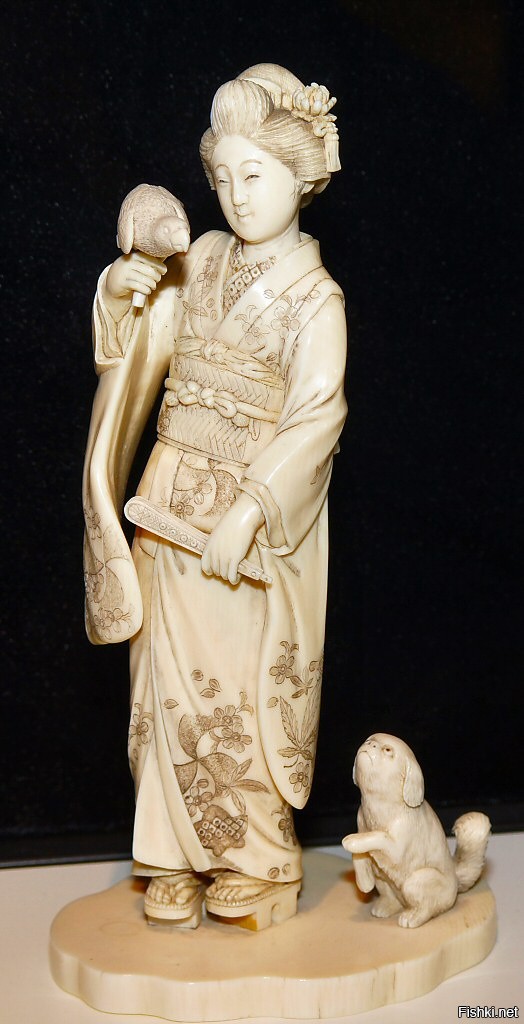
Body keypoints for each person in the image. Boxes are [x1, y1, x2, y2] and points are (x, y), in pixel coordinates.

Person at [83, 63, 347, 930]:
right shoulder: (197, 261)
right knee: (159, 685)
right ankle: (167, 854)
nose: (237, 195)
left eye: (256, 175)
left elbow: (317, 419)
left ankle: (257, 861)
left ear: (300, 177)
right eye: (224, 177)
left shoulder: (317, 300)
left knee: (230, 688)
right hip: (163, 503)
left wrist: (252, 508)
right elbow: (135, 345)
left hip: (242, 530)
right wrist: (119, 294)